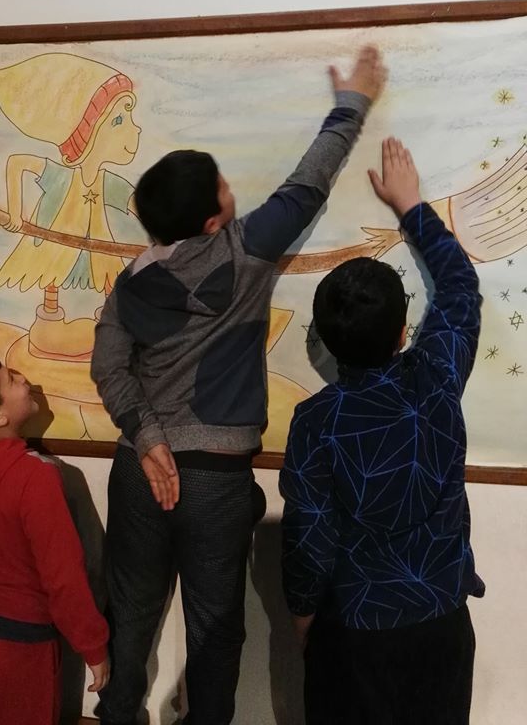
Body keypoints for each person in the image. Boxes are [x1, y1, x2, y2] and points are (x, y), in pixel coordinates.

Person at [91, 46, 385, 725]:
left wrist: (148, 436)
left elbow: (108, 369)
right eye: (223, 187)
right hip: (216, 481)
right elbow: (308, 182)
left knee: (128, 617)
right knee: (215, 628)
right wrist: (353, 103)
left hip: (139, 470)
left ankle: (116, 716)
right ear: (211, 221)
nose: (231, 189)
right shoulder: (245, 251)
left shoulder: (131, 280)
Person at [280, 137, 484, 725]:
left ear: (326, 341)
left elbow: (307, 537)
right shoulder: (435, 378)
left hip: (354, 632)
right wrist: (411, 205)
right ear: (402, 332)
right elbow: (460, 288)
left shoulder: (315, 422)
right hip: (441, 623)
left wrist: (302, 618)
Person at [0, 354, 110, 725]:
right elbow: (64, 576)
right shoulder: (35, 477)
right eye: (12, 379)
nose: (25, 380)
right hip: (16, 645)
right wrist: (93, 646)